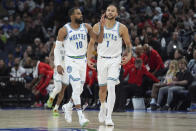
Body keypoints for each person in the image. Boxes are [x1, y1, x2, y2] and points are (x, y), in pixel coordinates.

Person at [54, 7, 105, 127]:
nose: (81, 15)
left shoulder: (86, 27)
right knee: (76, 86)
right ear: (72, 16)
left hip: (82, 61)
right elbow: (57, 49)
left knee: (79, 89)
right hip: (70, 61)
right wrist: (59, 64)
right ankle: (81, 117)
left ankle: (68, 106)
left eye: (81, 13)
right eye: (78, 14)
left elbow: (99, 39)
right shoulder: (64, 30)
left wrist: (102, 27)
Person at [87, 4, 132, 126]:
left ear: (116, 14)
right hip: (101, 60)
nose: (110, 12)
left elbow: (128, 45)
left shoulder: (122, 28)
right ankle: (102, 106)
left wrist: (129, 56)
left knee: (112, 86)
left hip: (115, 60)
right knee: (103, 89)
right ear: (105, 12)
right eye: (108, 10)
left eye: (113, 11)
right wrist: (88, 58)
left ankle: (109, 116)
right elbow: (91, 44)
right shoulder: (97, 26)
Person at [46, 43, 67, 116]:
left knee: (62, 91)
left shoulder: (71, 44)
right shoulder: (56, 44)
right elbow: (51, 55)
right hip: (57, 68)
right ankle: (51, 98)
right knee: (58, 87)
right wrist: (51, 62)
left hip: (67, 70)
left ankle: (55, 109)